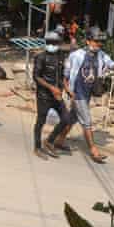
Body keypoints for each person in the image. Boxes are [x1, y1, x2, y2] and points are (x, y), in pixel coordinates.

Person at [63, 27, 114, 163]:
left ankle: (57, 140)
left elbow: (110, 63)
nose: (98, 44)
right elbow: (66, 73)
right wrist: (68, 90)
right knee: (87, 121)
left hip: (87, 93)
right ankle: (93, 150)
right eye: (96, 41)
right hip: (77, 93)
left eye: (100, 42)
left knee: (73, 118)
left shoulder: (101, 55)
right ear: (88, 41)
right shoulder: (77, 55)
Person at [33, 32, 75, 160]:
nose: (53, 45)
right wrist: (51, 88)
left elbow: (61, 77)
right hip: (44, 95)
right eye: (50, 43)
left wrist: (68, 91)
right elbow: (37, 77)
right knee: (41, 121)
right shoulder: (40, 57)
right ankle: (37, 147)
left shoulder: (60, 57)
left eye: (55, 43)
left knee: (67, 119)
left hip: (57, 96)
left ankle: (49, 140)